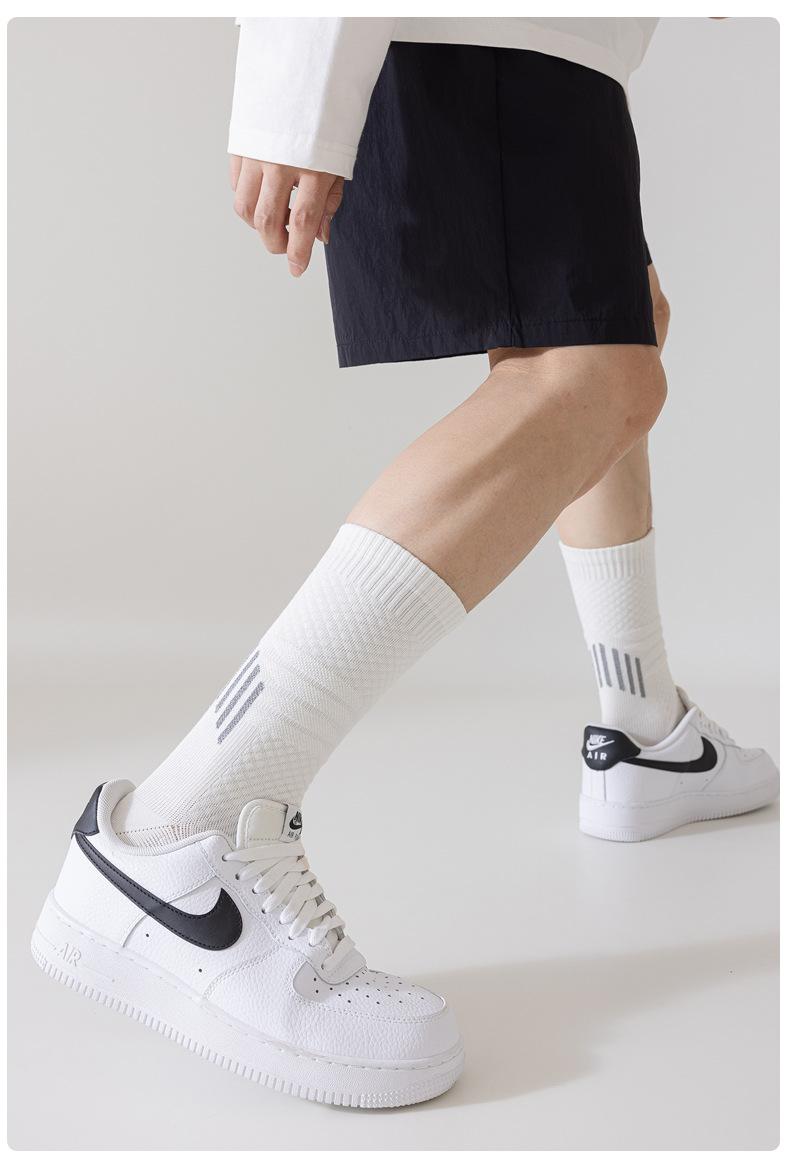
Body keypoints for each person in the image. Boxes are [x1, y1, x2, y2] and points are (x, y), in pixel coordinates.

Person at [33, 18, 778, 1109]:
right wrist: (296, 71)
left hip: (552, 41)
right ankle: (179, 830)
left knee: (614, 335)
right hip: (472, 31)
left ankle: (648, 735)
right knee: (585, 377)